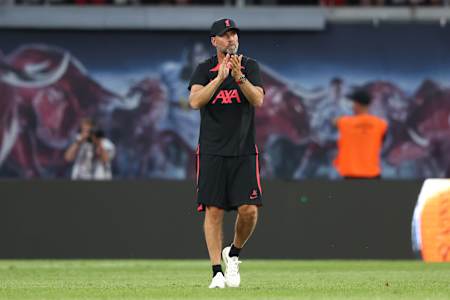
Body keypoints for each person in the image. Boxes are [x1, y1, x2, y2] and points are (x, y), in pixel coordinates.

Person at [188, 18, 264, 288]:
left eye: (234, 34)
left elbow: (257, 99)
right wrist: (219, 79)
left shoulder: (249, 66)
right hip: (211, 151)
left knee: (249, 211)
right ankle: (216, 272)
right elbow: (195, 101)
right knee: (214, 211)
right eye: (225, 35)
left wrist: (238, 77)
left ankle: (233, 253)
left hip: (243, 151)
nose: (231, 39)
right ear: (214, 41)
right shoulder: (204, 69)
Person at [333, 89, 388, 179]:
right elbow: (383, 141)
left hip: (351, 176)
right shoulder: (381, 124)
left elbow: (334, 121)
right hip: (373, 175)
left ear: (357, 104)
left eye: (353, 103)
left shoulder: (345, 122)